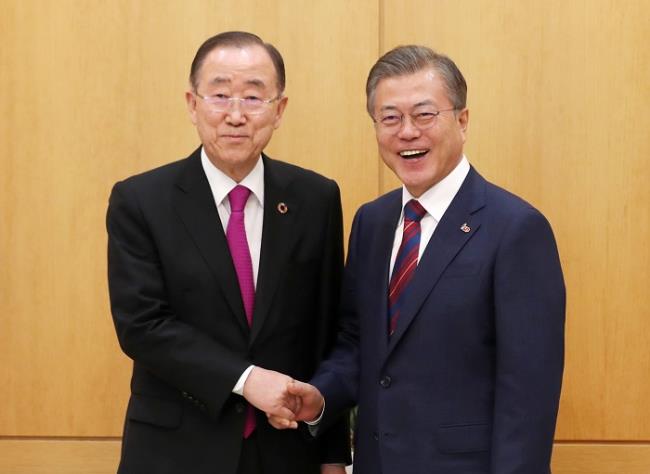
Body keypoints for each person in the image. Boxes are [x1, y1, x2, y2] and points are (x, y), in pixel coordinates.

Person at [271, 45, 565, 474]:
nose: (407, 132)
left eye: (424, 115)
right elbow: (358, 342)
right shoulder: (372, 222)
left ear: (462, 121)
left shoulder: (516, 229)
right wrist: (322, 396)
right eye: (390, 118)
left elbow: (529, 394)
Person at [106, 31, 349, 474]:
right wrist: (246, 380)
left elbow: (327, 332)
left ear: (279, 110)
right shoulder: (141, 201)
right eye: (220, 95)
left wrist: (333, 455)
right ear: (192, 104)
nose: (235, 115)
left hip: (286, 451)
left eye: (254, 98)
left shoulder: (316, 199)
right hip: (174, 452)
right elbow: (142, 326)